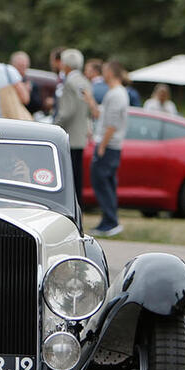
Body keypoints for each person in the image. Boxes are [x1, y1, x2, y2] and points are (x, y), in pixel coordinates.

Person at [90, 60, 129, 236]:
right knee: (107, 183)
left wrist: (102, 146)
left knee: (102, 182)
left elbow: (112, 124)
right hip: (111, 145)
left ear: (111, 73)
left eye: (105, 71)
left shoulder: (116, 94)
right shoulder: (115, 93)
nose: (102, 74)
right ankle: (107, 220)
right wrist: (90, 101)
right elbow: (102, 116)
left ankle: (111, 222)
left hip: (110, 145)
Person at [54, 48, 91, 205]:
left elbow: (67, 112)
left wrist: (54, 127)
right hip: (80, 134)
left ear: (66, 64)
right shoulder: (84, 81)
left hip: (69, 135)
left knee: (69, 176)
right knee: (78, 175)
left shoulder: (69, 83)